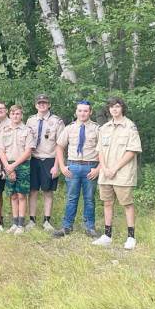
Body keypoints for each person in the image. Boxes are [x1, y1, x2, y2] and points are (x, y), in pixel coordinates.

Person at [92, 97, 142, 250]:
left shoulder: (129, 127)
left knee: (127, 204)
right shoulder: (104, 128)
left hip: (122, 174)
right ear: (109, 109)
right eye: (111, 107)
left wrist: (115, 168)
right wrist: (105, 168)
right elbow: (99, 151)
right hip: (106, 173)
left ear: (122, 108)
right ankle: (107, 235)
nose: (114, 109)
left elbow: (132, 151)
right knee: (107, 203)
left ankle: (131, 237)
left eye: (117, 106)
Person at [53, 101, 100, 238]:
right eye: (80, 111)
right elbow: (59, 147)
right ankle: (67, 226)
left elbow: (104, 150)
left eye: (85, 111)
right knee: (71, 198)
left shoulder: (97, 129)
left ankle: (89, 227)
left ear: (90, 112)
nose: (82, 113)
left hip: (90, 167)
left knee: (89, 199)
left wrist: (98, 169)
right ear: (76, 112)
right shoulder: (69, 128)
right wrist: (62, 166)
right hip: (72, 167)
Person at [25, 94, 65, 231]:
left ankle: (47, 221)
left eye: (45, 103)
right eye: (39, 103)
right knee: (33, 191)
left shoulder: (57, 121)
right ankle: (32, 220)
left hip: (50, 159)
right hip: (34, 160)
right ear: (36, 105)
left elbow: (61, 145)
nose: (42, 105)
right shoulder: (30, 121)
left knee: (48, 191)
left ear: (49, 105)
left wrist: (57, 166)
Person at [0, 105, 35, 234]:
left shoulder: (27, 130)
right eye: (13, 114)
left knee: (21, 195)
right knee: (12, 195)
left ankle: (21, 225)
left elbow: (28, 150)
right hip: (8, 165)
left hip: (23, 165)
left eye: (18, 114)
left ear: (21, 115)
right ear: (10, 115)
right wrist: (8, 166)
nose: (15, 116)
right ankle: (14, 223)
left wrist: (13, 166)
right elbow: (1, 150)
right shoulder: (4, 130)